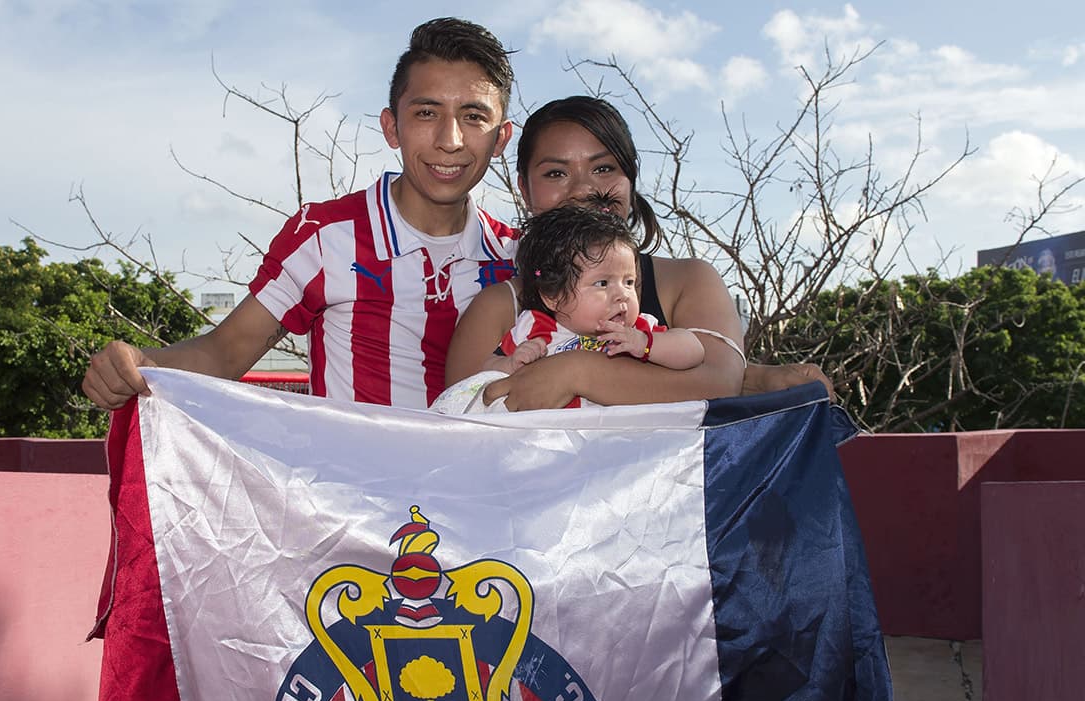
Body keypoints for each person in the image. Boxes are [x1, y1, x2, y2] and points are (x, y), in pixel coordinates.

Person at [82, 17, 518, 411]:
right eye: (427, 112)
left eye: (473, 116)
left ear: (500, 139)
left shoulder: (520, 254)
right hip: (355, 496)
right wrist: (138, 365)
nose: (451, 139)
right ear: (391, 127)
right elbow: (226, 350)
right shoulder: (326, 236)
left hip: (479, 496)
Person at [444, 95, 830, 411]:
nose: (582, 189)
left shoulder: (688, 281)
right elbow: (462, 410)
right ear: (524, 191)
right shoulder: (500, 306)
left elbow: (719, 382)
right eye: (556, 174)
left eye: (604, 168)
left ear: (631, 179)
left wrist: (575, 372)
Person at [433, 205, 719, 413]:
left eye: (629, 281)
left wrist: (647, 345)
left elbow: (694, 350)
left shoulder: (638, 330)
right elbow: (484, 373)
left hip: (620, 448)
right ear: (553, 296)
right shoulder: (535, 328)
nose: (622, 294)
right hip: (552, 448)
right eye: (603, 283)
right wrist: (510, 364)